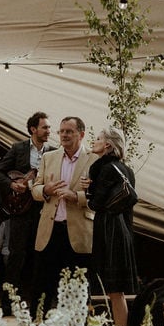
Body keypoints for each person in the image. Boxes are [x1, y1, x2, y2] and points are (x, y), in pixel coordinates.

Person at [31, 116, 96, 309]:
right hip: (50, 231)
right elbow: (35, 190)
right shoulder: (48, 157)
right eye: (62, 131)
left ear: (81, 134)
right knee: (42, 287)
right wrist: (46, 190)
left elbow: (99, 198)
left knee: (77, 289)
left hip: (78, 233)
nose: (64, 135)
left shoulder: (94, 160)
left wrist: (76, 196)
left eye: (69, 131)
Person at [0, 111, 53, 309]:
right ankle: (8, 302)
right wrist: (12, 185)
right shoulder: (18, 148)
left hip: (44, 209)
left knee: (41, 255)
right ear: (33, 129)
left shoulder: (53, 151)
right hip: (22, 209)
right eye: (45, 127)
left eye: (49, 127)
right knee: (16, 254)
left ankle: (38, 303)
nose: (48, 131)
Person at [85, 126, 138, 326]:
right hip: (122, 231)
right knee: (117, 292)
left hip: (110, 232)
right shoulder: (126, 169)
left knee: (115, 291)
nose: (94, 141)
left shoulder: (104, 169)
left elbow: (96, 204)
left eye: (98, 138)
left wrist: (88, 190)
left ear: (107, 144)